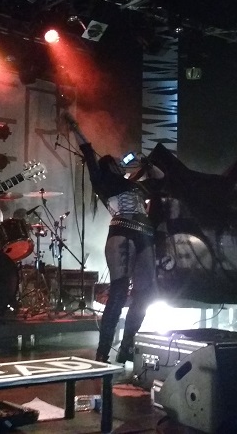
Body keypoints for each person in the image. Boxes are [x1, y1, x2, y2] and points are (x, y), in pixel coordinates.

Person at [64, 111, 163, 364]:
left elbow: (161, 180)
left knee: (146, 292)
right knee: (119, 292)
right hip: (122, 231)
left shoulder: (135, 184)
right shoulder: (103, 182)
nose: (121, 162)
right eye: (116, 161)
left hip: (145, 235)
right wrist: (75, 126)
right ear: (109, 166)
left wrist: (145, 163)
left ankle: (127, 345)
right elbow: (88, 151)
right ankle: (103, 351)